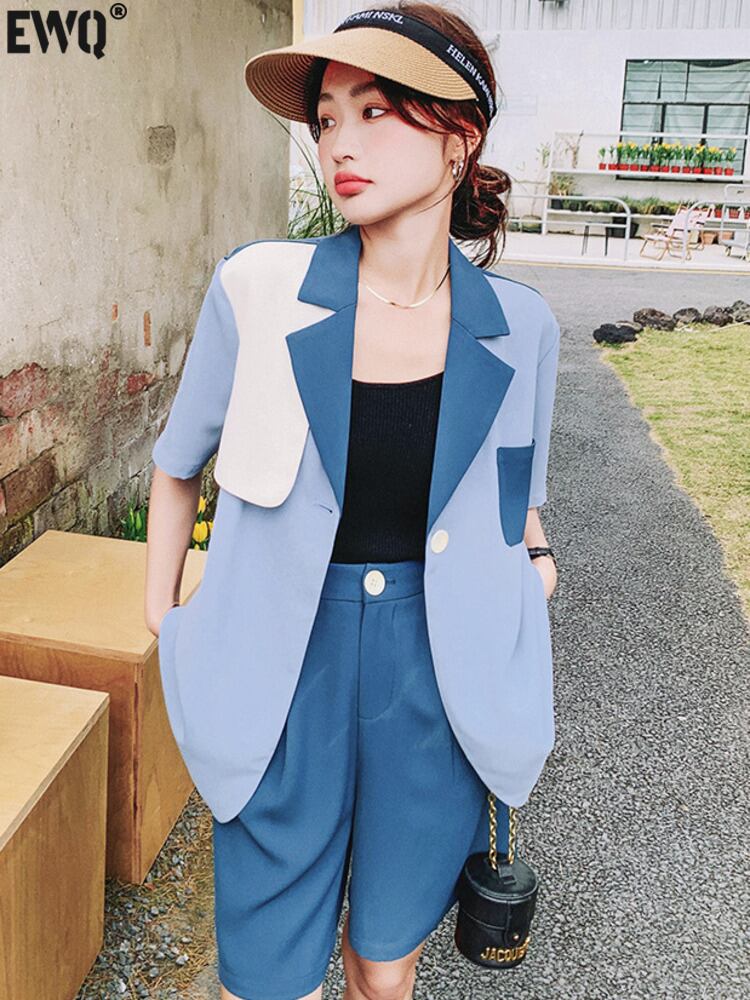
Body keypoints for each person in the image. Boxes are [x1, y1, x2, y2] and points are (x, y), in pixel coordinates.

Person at [145, 3, 561, 999]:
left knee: (384, 961)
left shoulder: (523, 327)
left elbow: (515, 493)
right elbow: (177, 462)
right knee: (265, 974)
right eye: (328, 117)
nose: (339, 142)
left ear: (460, 140)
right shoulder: (259, 288)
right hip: (284, 664)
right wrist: (165, 617)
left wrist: (537, 566)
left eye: (375, 111)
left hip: (437, 677)